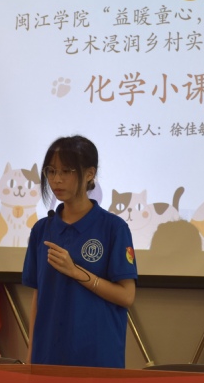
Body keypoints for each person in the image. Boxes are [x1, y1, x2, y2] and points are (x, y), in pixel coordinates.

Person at [22, 135, 137, 368]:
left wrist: (76, 272)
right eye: (51, 171)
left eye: (66, 171)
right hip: (48, 357)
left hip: (97, 357)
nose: (56, 180)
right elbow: (38, 297)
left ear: (89, 174)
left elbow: (126, 296)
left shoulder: (113, 228)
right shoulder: (42, 229)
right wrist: (31, 354)